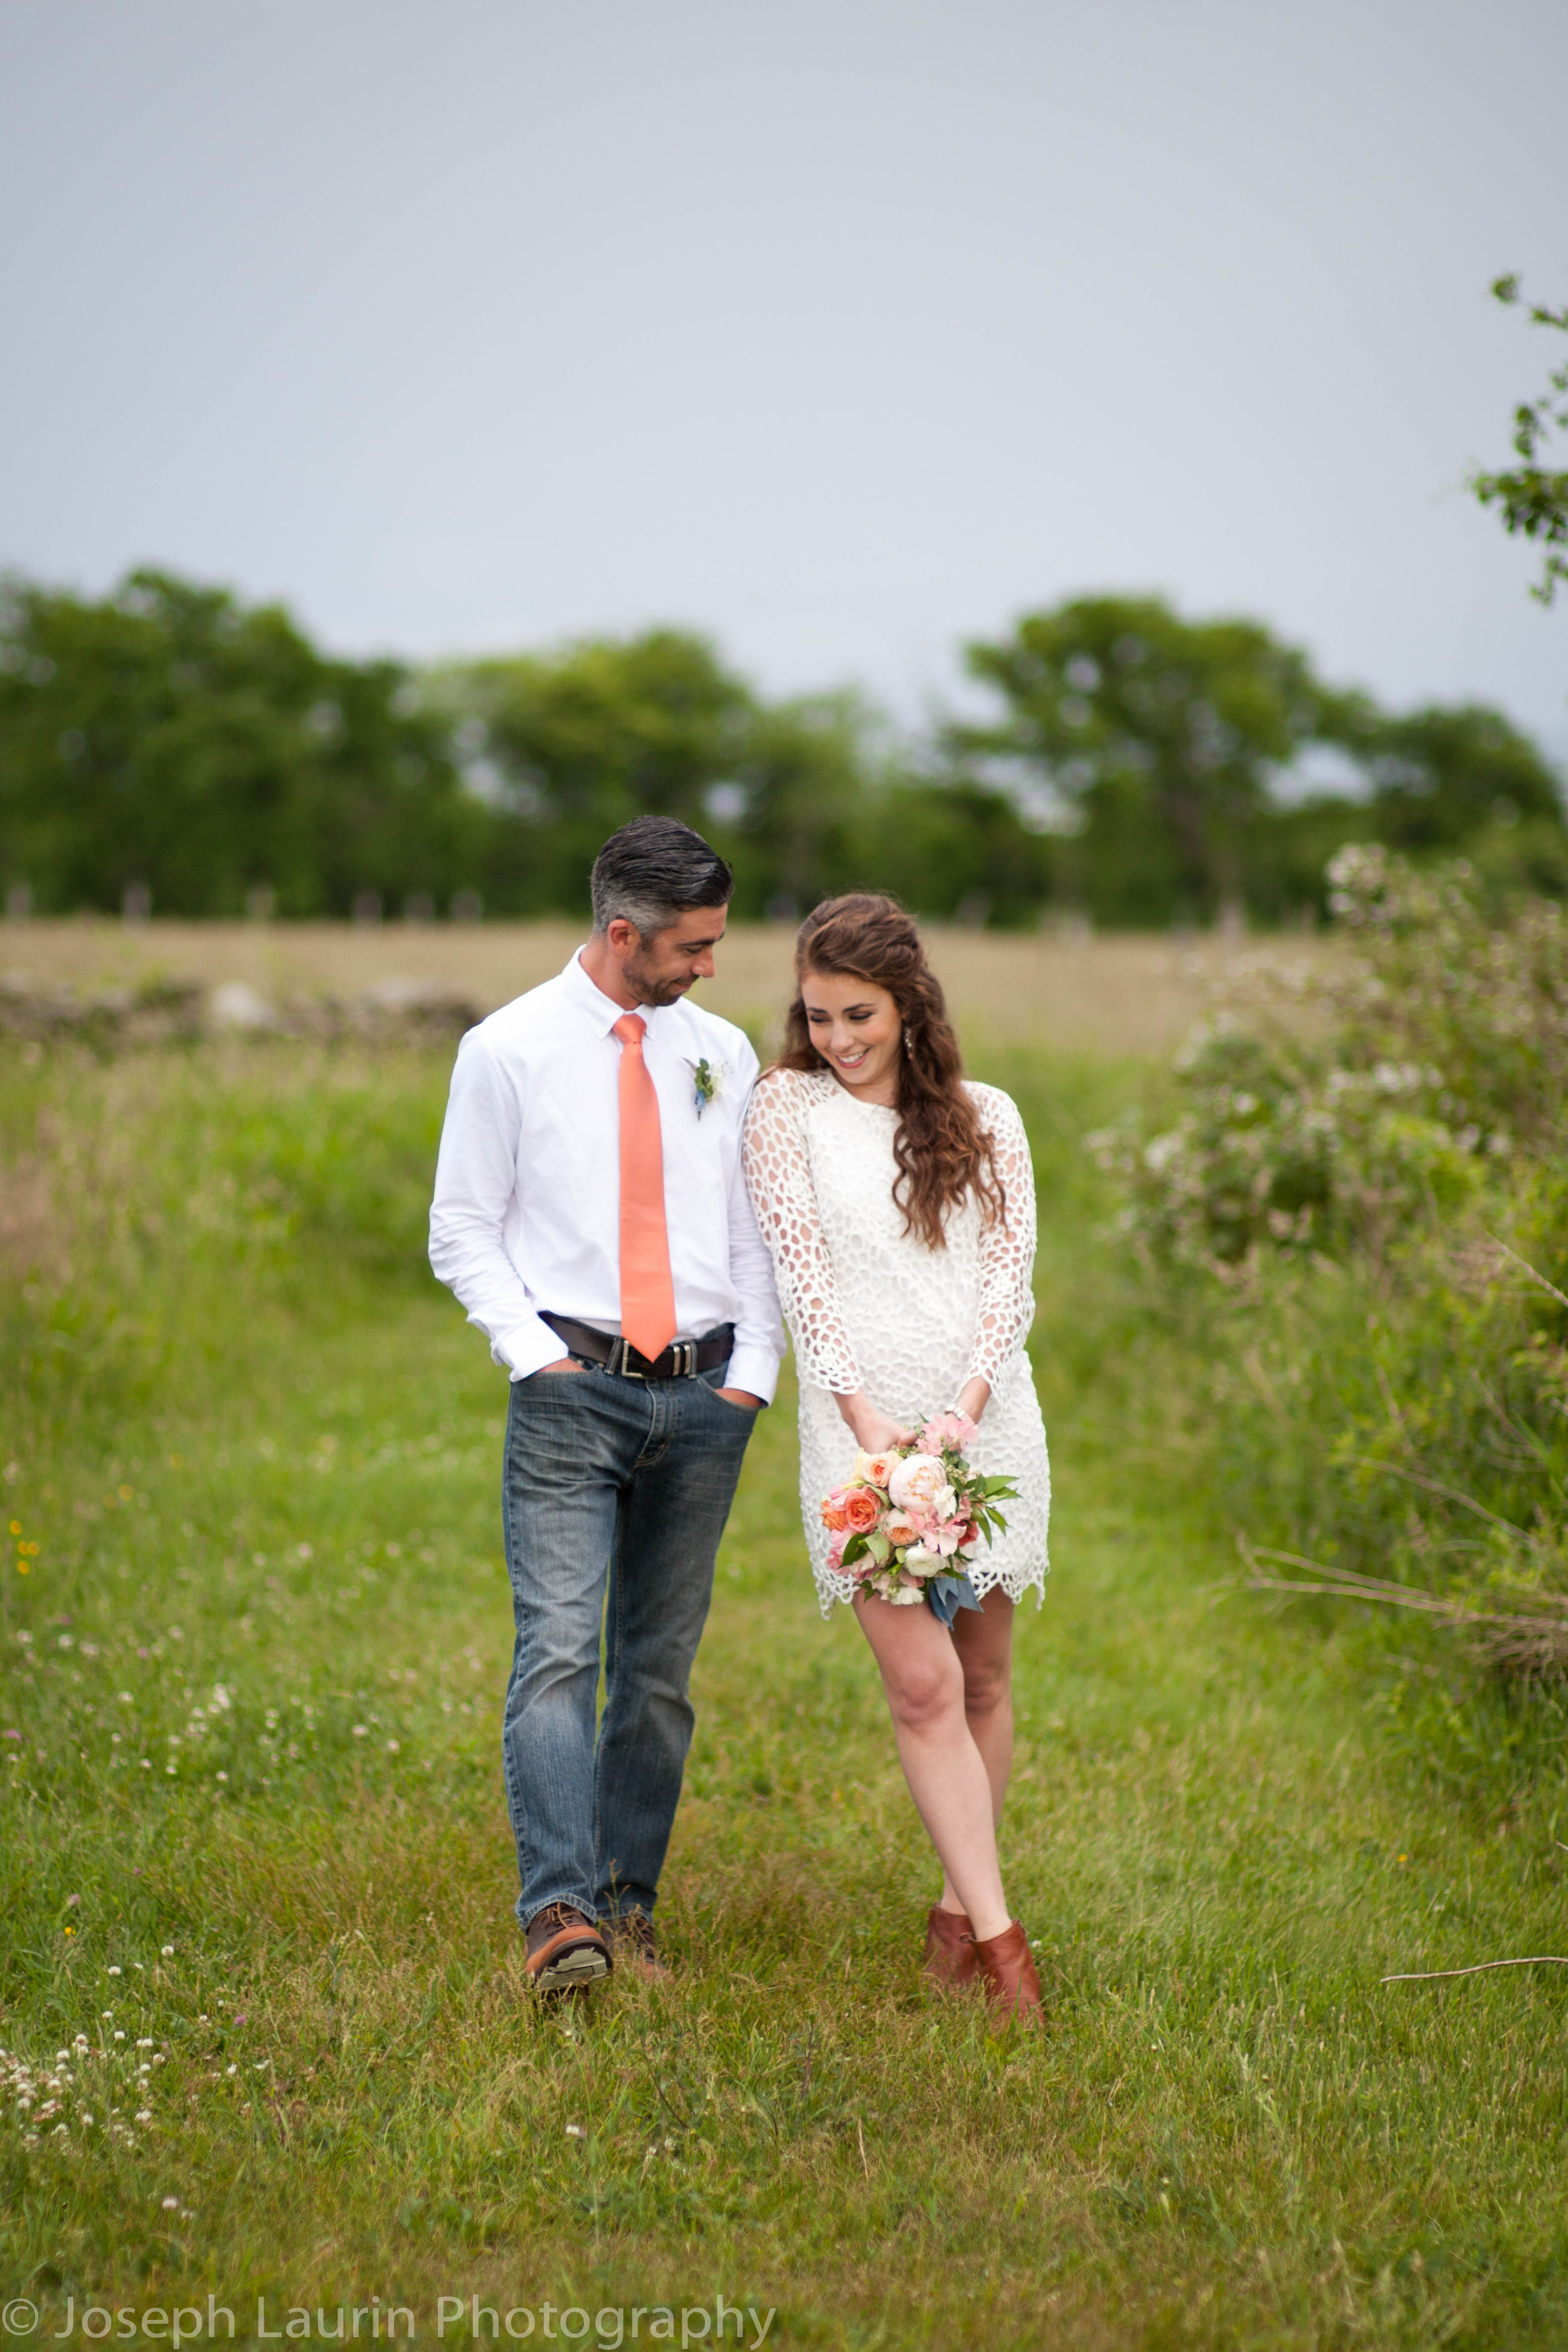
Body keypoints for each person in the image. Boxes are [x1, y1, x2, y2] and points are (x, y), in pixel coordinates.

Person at [429, 817, 785, 1995]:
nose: (710, 965)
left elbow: (751, 1226)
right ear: (623, 933)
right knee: (557, 1655)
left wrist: (752, 1375)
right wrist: (537, 1358)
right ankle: (560, 1916)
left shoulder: (722, 1052)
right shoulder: (507, 1049)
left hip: (704, 1394)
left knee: (659, 1671)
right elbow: (463, 1226)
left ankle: (631, 1906)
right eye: (692, 944)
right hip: (571, 1392)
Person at [741, 894, 1049, 2023]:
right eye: (818, 1015)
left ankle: (954, 1918)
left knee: (982, 1677)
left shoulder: (990, 1115)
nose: (838, 1038)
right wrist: (872, 1424)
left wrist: (964, 1412)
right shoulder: (787, 1108)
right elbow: (799, 1274)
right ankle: (1008, 1948)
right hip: (856, 1426)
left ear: (912, 1005)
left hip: (987, 1417)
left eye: (859, 1013)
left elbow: (1010, 1274)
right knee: (921, 1685)